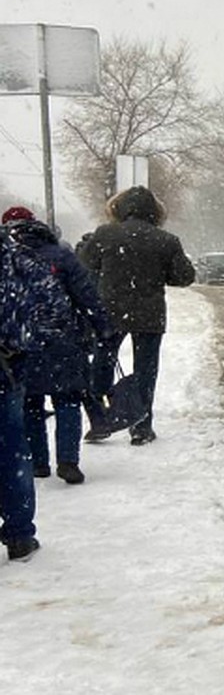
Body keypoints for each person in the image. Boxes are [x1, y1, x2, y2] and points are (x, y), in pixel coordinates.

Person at [78, 186, 195, 446]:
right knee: (146, 369)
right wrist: (159, 272)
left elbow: (85, 263)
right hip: (150, 315)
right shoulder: (166, 240)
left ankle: (101, 419)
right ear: (155, 212)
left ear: (120, 208)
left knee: (102, 363)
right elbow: (185, 277)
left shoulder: (106, 234)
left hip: (110, 312)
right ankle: (141, 426)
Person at [3, 206, 110, 484]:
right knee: (68, 400)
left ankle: (38, 463)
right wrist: (103, 327)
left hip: (22, 342)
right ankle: (68, 461)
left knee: (31, 404)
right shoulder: (61, 255)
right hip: (63, 338)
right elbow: (86, 295)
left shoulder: (7, 259)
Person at [0, 230, 39, 562]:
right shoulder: (10, 255)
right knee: (11, 451)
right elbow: (20, 311)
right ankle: (20, 533)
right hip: (4, 369)